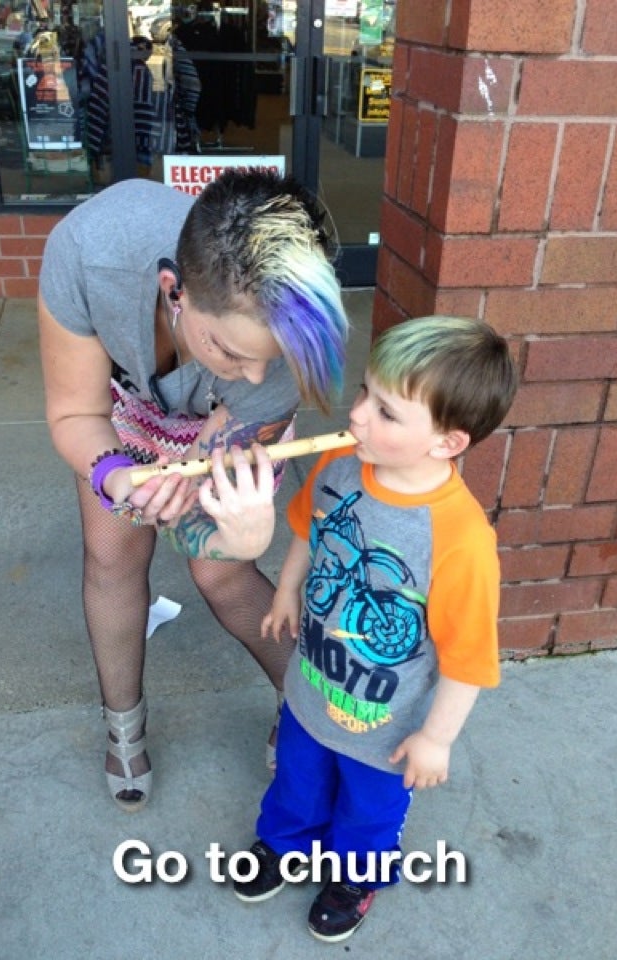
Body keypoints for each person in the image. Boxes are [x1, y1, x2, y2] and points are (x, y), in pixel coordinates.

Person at [38, 169, 348, 813]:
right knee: (112, 556)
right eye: (231, 350)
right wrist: (114, 475)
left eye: (270, 358)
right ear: (173, 290)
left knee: (221, 572)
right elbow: (75, 413)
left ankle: (309, 712)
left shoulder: (282, 357)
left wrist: (230, 521)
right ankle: (123, 727)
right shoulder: (89, 250)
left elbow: (212, 524)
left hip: (223, 429)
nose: (254, 375)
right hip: (122, 413)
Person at [232, 315, 518, 942]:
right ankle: (286, 844)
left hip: (386, 726)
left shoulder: (461, 539)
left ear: (446, 442)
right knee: (296, 779)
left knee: (368, 811)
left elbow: (469, 658)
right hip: (310, 689)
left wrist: (436, 739)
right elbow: (308, 526)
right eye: (365, 391)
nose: (357, 414)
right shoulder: (340, 462)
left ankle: (354, 877)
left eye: (386, 412)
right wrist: (287, 589)